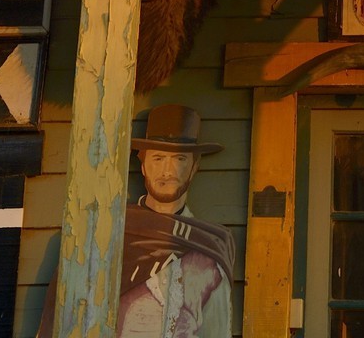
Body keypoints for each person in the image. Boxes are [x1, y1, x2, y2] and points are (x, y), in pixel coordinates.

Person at [37, 104, 235, 338]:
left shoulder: (209, 249)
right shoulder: (106, 234)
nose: (167, 170)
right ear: (143, 166)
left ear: (194, 168)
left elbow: (217, 331)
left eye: (180, 159)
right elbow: (65, 312)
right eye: (158, 158)